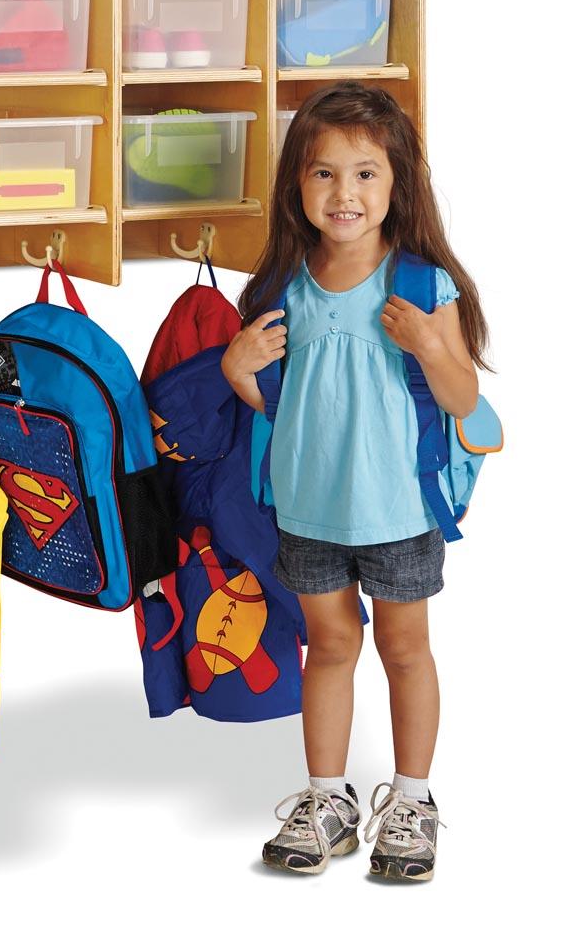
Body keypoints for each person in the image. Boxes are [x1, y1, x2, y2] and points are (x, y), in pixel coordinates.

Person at [221, 82, 491, 881]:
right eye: (324, 174)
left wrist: (436, 350)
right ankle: (328, 800)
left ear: (398, 183)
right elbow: (274, 402)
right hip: (309, 508)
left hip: (400, 510)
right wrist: (237, 369)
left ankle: (411, 801)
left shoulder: (420, 286)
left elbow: (466, 403)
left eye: (366, 174)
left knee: (406, 651)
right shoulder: (282, 291)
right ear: (296, 186)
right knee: (330, 647)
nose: (345, 194)